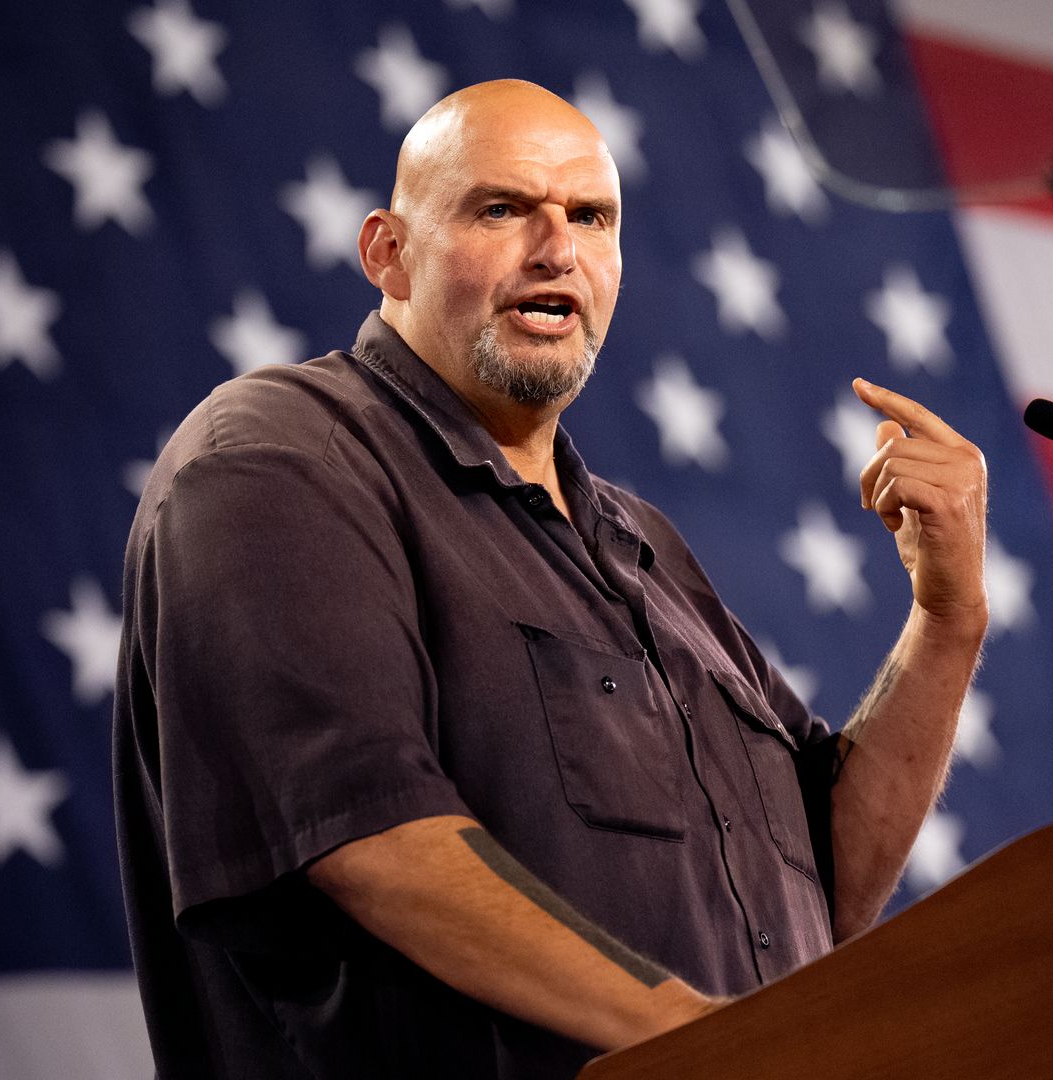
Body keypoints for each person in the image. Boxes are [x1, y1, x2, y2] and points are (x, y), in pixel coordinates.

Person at [113, 79, 989, 1079]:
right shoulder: (280, 456)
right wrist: (706, 1040)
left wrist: (947, 618)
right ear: (387, 254)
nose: (556, 248)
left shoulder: (639, 541)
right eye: (501, 209)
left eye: (590, 216)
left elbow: (823, 888)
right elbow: (370, 842)